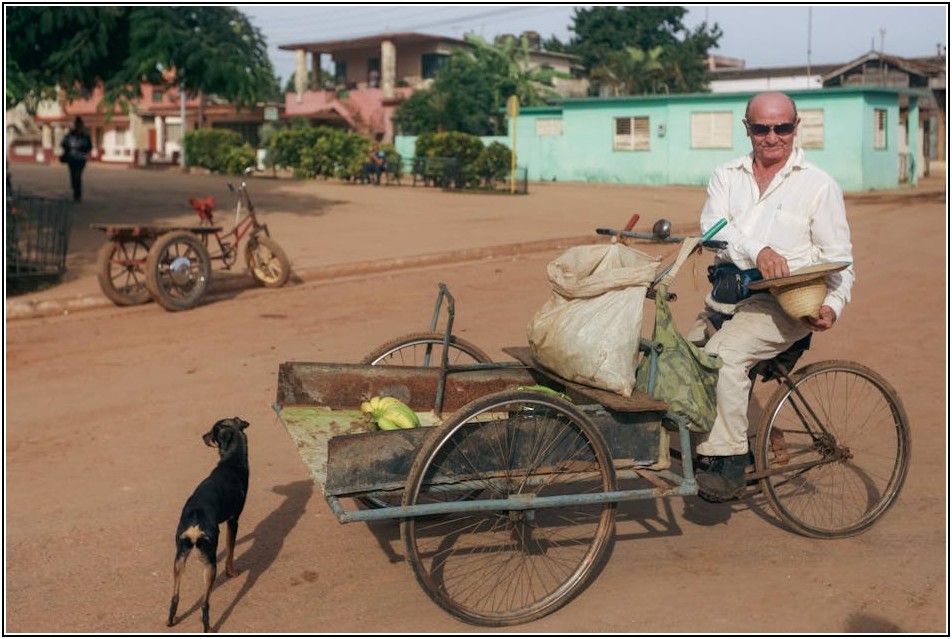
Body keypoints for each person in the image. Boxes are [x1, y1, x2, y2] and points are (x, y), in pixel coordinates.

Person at [690, 91, 855, 502]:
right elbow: (713, 229)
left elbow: (841, 261)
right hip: (726, 298)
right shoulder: (726, 175)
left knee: (721, 359)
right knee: (680, 361)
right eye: (762, 128)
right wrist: (757, 252)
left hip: (783, 304)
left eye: (782, 127)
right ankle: (760, 430)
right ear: (747, 129)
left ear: (796, 128)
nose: (772, 137)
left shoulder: (818, 186)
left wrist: (832, 306)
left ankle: (729, 458)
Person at [60, 116, 92, 202]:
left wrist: (81, 147)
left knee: (78, 176)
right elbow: (63, 144)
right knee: (73, 176)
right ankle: (75, 191)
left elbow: (89, 147)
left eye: (79, 124)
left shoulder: (85, 136)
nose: (78, 126)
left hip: (81, 158)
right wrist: (69, 148)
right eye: (77, 124)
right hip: (71, 158)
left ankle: (78, 195)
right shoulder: (70, 135)